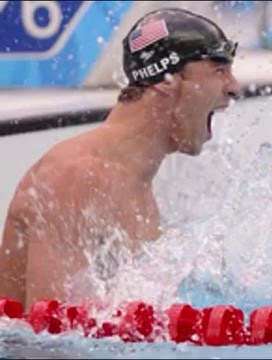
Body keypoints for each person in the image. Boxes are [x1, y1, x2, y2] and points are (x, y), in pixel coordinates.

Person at [0, 7, 241, 309]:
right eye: (219, 70)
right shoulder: (75, 175)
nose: (235, 87)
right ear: (166, 79)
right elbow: (48, 341)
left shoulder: (137, 188)